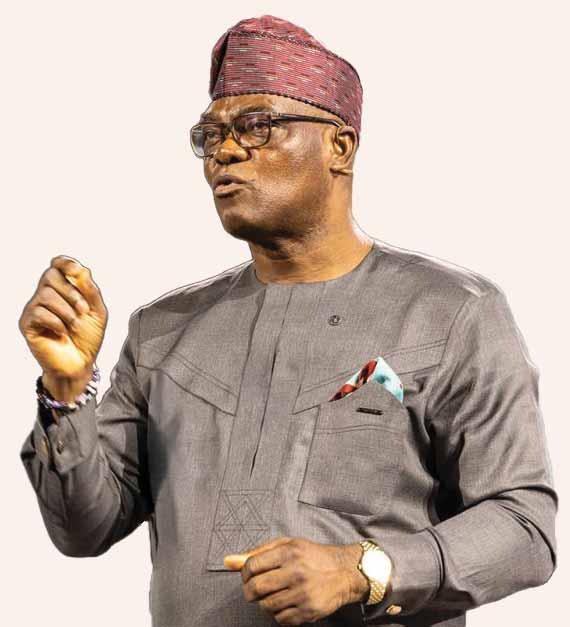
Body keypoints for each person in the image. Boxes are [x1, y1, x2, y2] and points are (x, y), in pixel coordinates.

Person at [18, 14, 557, 627]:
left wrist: (363, 570)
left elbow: (524, 528)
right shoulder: (162, 332)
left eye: (258, 126)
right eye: (210, 135)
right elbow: (83, 530)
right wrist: (67, 393)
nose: (224, 152)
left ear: (340, 147)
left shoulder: (451, 312)